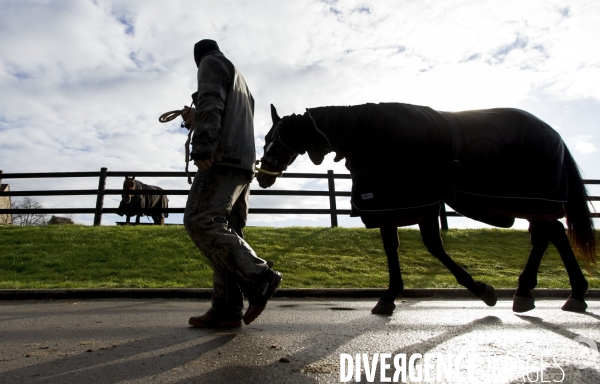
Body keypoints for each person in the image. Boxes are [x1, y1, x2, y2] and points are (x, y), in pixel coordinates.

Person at [181, 39, 282, 328]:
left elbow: (212, 102)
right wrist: (195, 121)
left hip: (221, 160)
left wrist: (201, 144)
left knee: (200, 220)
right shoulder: (241, 81)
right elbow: (224, 114)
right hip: (243, 165)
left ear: (198, 58)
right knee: (227, 234)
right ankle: (226, 308)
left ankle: (260, 276)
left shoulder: (210, 64)